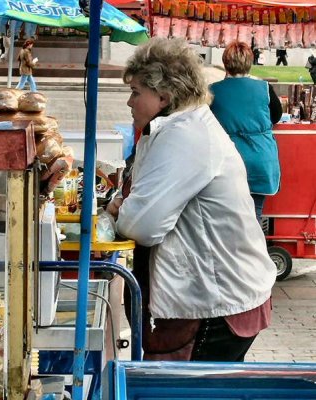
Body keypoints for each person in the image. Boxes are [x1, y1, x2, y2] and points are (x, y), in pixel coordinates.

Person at [107, 37, 277, 362]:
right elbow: (138, 194)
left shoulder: (183, 136)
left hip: (218, 302)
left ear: (163, 95)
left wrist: (121, 210)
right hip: (221, 295)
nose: (130, 102)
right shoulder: (178, 126)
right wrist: (124, 203)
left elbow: (141, 224)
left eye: (136, 93)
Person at [210, 41, 282, 222]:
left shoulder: (212, 91)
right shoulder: (265, 88)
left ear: (225, 62)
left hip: (226, 162)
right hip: (260, 160)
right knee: (254, 216)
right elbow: (276, 115)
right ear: (250, 62)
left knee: (226, 219)